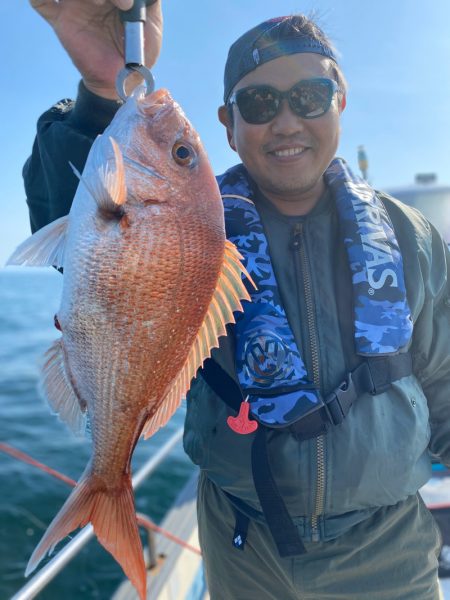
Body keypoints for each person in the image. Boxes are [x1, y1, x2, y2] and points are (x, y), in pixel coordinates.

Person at [25, 1, 450, 598]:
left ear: (340, 103)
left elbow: (446, 381)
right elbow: (77, 238)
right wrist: (102, 87)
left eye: (310, 96)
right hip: (243, 547)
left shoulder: (411, 236)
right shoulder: (199, 226)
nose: (286, 122)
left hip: (390, 550)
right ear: (227, 124)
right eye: (259, 103)